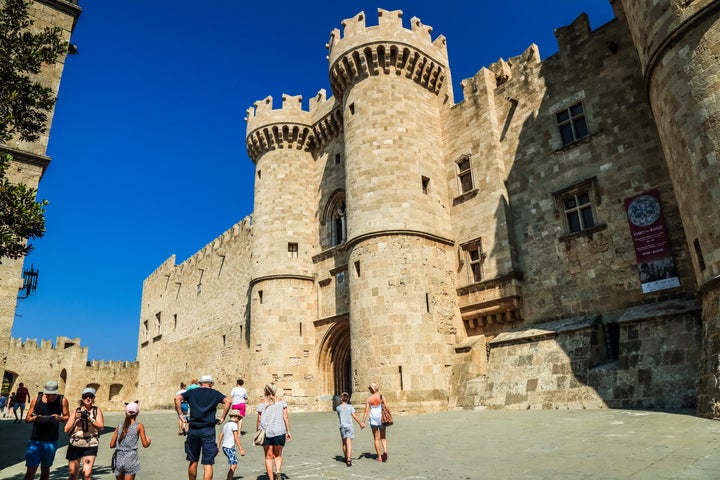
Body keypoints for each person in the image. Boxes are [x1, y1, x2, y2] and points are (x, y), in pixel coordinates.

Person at [174, 374, 231, 480]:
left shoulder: (192, 392)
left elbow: (177, 398)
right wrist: (222, 417)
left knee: (193, 460)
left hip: (193, 429)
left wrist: (181, 415)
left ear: (200, 383)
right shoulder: (215, 393)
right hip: (208, 430)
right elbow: (228, 401)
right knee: (208, 463)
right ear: (211, 384)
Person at [23, 380, 70, 480]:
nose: (49, 396)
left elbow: (67, 417)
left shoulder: (62, 400)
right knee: (31, 469)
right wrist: (35, 418)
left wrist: (59, 418)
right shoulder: (37, 400)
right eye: (48, 394)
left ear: (56, 392)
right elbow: (27, 419)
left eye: (52, 394)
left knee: (45, 469)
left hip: (51, 440)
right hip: (35, 439)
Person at [64, 387, 105, 480]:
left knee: (87, 475)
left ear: (94, 398)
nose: (88, 398)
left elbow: (101, 426)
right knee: (73, 474)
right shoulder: (76, 410)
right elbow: (66, 429)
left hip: (90, 444)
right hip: (76, 443)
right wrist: (75, 418)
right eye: (85, 396)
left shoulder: (96, 411)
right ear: (82, 398)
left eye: (90, 396)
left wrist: (90, 419)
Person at [256, 382, 291, 480]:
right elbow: (286, 417)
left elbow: (259, 420)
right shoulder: (281, 402)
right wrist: (288, 431)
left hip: (266, 433)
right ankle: (278, 471)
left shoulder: (262, 403)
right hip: (280, 432)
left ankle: (271, 479)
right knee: (278, 455)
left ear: (266, 390)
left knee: (268, 456)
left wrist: (257, 432)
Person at [109, 401, 151, 480]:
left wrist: (121, 444)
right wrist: (149, 441)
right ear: (137, 413)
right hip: (131, 458)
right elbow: (145, 445)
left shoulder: (119, 426)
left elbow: (111, 445)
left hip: (118, 458)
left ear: (126, 413)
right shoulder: (139, 426)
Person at [362, 382, 389, 462]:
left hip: (373, 420)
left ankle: (379, 457)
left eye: (370, 388)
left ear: (373, 389)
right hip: (381, 419)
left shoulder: (369, 399)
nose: (369, 389)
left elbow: (366, 410)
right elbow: (387, 407)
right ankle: (385, 451)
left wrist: (363, 420)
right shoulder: (381, 397)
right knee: (383, 437)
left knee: (376, 438)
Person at [336, 392, 364, 466]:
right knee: (349, 443)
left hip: (342, 426)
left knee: (344, 443)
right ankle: (349, 459)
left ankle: (345, 457)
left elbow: (339, 417)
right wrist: (360, 423)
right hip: (349, 426)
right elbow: (354, 416)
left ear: (341, 398)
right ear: (348, 399)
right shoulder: (350, 407)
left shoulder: (338, 408)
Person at [217, 409, 245, 480]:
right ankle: (229, 478)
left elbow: (220, 436)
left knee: (233, 463)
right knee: (233, 464)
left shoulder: (226, 425)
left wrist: (218, 447)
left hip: (225, 447)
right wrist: (241, 449)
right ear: (236, 417)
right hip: (229, 447)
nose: (239, 420)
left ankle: (230, 478)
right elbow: (236, 437)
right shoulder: (234, 425)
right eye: (239, 418)